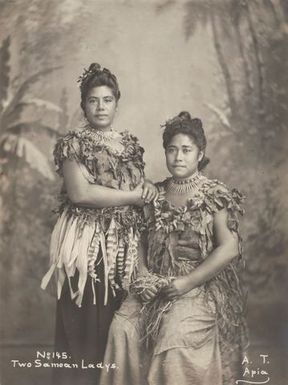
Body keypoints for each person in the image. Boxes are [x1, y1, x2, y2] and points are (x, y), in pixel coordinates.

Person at [100, 111, 248, 385]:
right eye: (172, 150)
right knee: (122, 328)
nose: (178, 157)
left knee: (175, 335)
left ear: (200, 154)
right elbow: (139, 242)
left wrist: (187, 283)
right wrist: (143, 275)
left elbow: (229, 248)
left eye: (186, 150)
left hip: (197, 288)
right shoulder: (153, 194)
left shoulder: (215, 195)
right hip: (154, 285)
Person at [41, 63, 157, 385]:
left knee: (116, 325)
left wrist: (145, 188)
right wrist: (134, 196)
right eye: (93, 100)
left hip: (125, 249)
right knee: (86, 326)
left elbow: (136, 186)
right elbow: (81, 193)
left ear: (117, 102)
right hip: (87, 247)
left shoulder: (129, 145)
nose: (101, 107)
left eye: (107, 100)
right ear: (84, 105)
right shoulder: (73, 144)